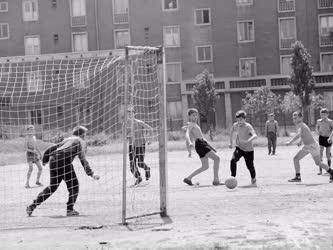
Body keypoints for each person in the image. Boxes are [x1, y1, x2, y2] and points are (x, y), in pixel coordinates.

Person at [26, 126, 100, 217]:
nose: (85, 136)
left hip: (53, 160)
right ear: (82, 135)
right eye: (85, 135)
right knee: (74, 186)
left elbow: (51, 148)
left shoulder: (67, 139)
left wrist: (45, 159)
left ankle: (32, 206)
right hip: (64, 160)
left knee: (52, 187)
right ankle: (70, 209)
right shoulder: (79, 141)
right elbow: (82, 159)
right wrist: (91, 173)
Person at [286, 111, 333, 183]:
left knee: (318, 163)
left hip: (312, 146)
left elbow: (298, 135)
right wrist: (301, 141)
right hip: (307, 146)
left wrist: (290, 142)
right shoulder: (300, 125)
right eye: (293, 118)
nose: (294, 119)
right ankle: (298, 177)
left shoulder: (301, 125)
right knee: (296, 159)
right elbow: (303, 134)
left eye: (296, 118)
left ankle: (332, 172)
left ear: (301, 118)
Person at [183, 108, 220, 186]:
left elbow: (203, 138)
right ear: (189, 116)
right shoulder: (191, 124)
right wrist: (190, 142)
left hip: (201, 144)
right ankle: (216, 180)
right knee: (217, 158)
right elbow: (187, 134)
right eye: (193, 115)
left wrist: (211, 147)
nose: (195, 117)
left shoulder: (195, 125)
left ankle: (188, 178)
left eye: (196, 115)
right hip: (200, 145)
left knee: (205, 166)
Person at [229, 110, 257, 185]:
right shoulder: (235, 125)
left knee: (250, 166)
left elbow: (254, 135)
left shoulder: (248, 126)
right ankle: (232, 177)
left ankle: (253, 177)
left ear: (245, 119)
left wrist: (248, 140)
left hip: (248, 150)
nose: (239, 121)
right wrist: (231, 143)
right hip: (239, 148)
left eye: (241, 119)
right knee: (233, 160)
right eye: (237, 119)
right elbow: (231, 132)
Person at [127, 106, 153, 185]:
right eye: (128, 113)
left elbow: (150, 129)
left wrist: (150, 139)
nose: (130, 114)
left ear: (134, 114)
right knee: (132, 165)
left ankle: (147, 169)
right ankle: (138, 178)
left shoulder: (139, 122)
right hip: (132, 146)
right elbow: (125, 135)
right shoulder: (126, 124)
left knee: (140, 163)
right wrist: (128, 135)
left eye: (131, 113)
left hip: (140, 145)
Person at [315, 108, 333, 175]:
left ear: (327, 114)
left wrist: (330, 137)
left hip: (328, 138)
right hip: (321, 138)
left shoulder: (330, 121)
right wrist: (317, 131)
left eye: (324, 114)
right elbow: (317, 127)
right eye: (321, 115)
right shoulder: (318, 121)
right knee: (320, 154)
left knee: (328, 154)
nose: (322, 116)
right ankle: (320, 171)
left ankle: (329, 170)